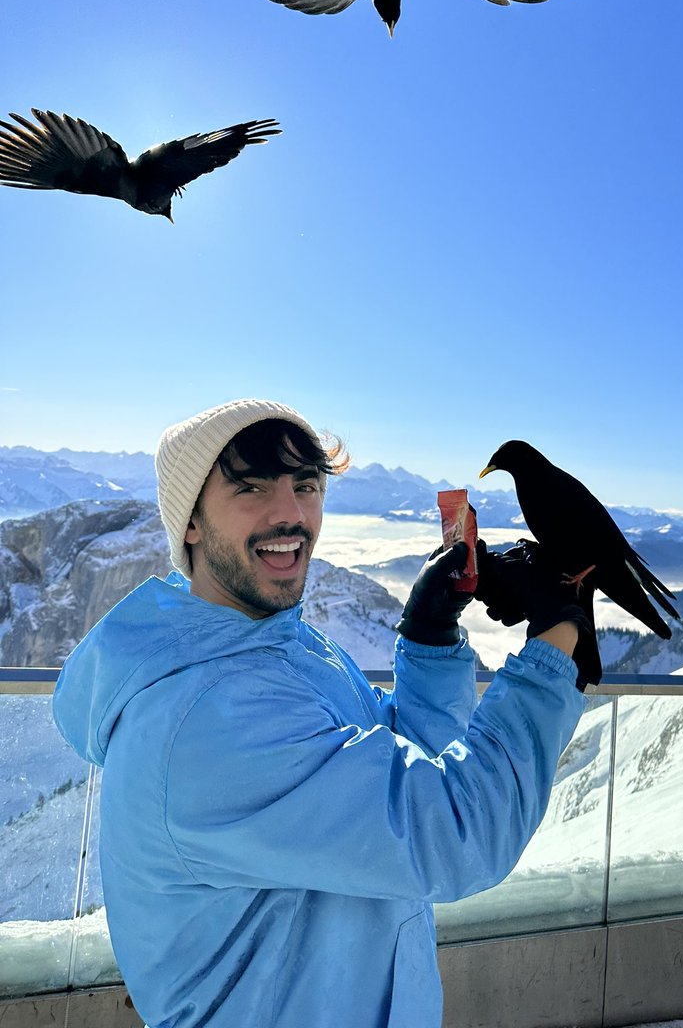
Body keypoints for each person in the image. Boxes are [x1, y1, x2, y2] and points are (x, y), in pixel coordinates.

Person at [52, 398, 595, 1028]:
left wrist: (429, 640)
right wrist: (555, 643)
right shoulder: (206, 715)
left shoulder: (276, 646)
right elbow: (455, 833)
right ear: (191, 522)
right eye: (251, 487)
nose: (291, 513)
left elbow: (404, 777)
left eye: (306, 485)